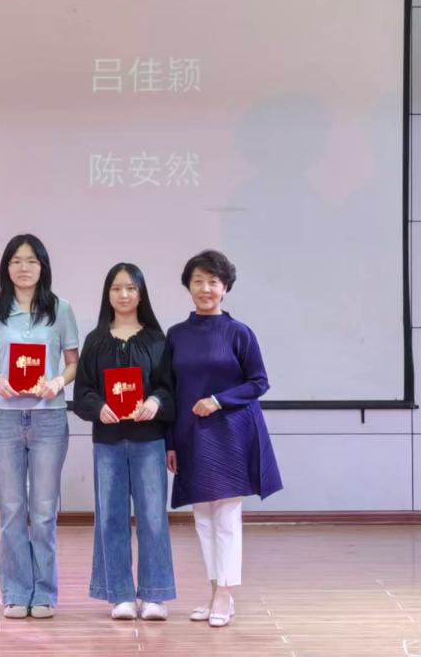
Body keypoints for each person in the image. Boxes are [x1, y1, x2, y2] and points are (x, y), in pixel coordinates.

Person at [160, 249, 282, 627]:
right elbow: (169, 391)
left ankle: (226, 596)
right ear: (188, 287)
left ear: (225, 288)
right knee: (202, 518)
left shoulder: (239, 333)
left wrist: (217, 400)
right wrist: (170, 443)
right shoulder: (176, 335)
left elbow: (259, 382)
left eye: (213, 281)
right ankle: (214, 591)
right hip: (190, 435)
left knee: (226, 516)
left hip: (230, 434)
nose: (205, 288)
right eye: (198, 281)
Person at [0, 234, 79, 619]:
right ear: (6, 267)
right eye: (16, 261)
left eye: (32, 261)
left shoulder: (61, 309)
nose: (24, 268)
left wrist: (57, 382)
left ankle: (45, 593)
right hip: (3, 417)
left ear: (43, 267)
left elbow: (73, 362)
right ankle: (16, 591)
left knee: (45, 509)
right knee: (12, 508)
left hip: (48, 416)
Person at [73, 263, 176, 621]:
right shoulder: (95, 341)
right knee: (111, 517)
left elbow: (168, 389)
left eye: (131, 288)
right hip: (109, 442)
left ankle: (154, 595)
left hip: (150, 441)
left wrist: (155, 402)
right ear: (108, 294)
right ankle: (119, 595)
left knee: (153, 517)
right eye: (117, 288)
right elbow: (82, 392)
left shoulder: (157, 341)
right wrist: (99, 408)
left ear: (141, 294)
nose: (124, 294)